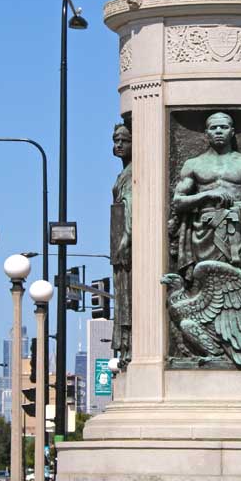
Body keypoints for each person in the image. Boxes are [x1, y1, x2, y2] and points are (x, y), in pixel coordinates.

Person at [173, 112, 241, 278]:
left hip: (237, 227)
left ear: (232, 132)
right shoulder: (193, 164)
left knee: (238, 277)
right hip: (205, 230)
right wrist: (207, 195)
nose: (218, 131)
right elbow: (177, 202)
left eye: (223, 127)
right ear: (206, 133)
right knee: (205, 278)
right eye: (213, 128)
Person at [110, 122, 132, 366]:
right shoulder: (123, 174)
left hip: (126, 245)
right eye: (116, 141)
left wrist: (127, 238)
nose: (118, 145)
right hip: (119, 244)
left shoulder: (133, 173)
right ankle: (126, 348)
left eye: (124, 141)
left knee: (127, 297)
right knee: (123, 297)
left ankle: (129, 346)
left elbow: (132, 206)